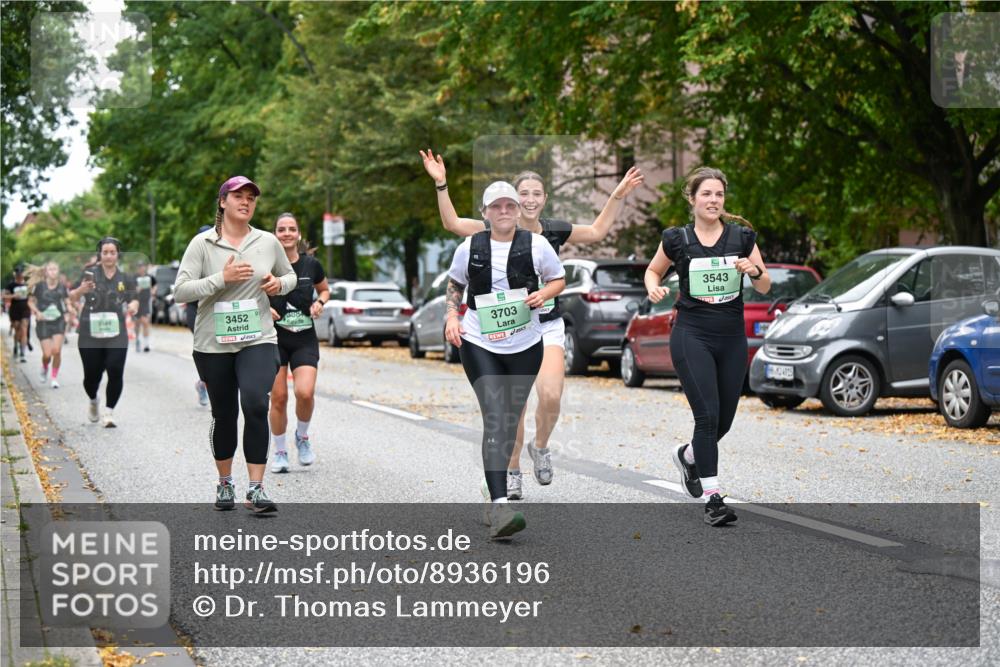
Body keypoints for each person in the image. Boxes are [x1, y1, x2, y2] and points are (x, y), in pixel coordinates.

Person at [421, 149, 644, 499]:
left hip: (544, 326)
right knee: (512, 409)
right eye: (521, 193)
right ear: (506, 201)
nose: (527, 200)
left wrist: (617, 194)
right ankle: (510, 474)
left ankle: (540, 446)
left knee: (551, 394)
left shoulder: (549, 234)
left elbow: (599, 230)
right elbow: (452, 225)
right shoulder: (490, 228)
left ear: (543, 199)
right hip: (497, 332)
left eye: (535, 194)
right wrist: (441, 184)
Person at [643, 167, 771, 526]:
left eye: (718, 194)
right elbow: (654, 270)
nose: (713, 200)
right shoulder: (677, 239)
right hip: (691, 333)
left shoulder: (742, 238)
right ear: (692, 199)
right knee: (707, 415)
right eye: (706, 194)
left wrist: (755, 271)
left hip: (730, 337)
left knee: (724, 421)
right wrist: (653, 286)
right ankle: (714, 500)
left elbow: (764, 286)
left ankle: (688, 455)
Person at [444, 180, 565, 538]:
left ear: (518, 211)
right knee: (496, 418)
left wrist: (543, 293)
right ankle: (500, 506)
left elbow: (558, 279)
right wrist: (452, 317)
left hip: (526, 343)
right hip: (479, 341)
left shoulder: (537, 245)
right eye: (496, 206)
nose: (504, 211)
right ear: (484, 213)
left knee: (510, 421)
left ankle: (491, 484)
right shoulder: (470, 246)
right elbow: (455, 285)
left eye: (510, 206)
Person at [173, 176, 296, 514]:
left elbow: (290, 277)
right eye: (238, 196)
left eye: (251, 197)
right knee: (224, 414)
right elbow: (181, 290)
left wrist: (276, 283)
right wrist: (221, 280)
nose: (246, 202)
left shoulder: (268, 242)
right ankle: (225, 482)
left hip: (258, 337)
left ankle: (256, 489)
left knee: (256, 403)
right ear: (223, 202)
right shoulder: (202, 244)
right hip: (213, 342)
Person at [267, 213, 330, 473]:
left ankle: (302, 437)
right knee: (279, 398)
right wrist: (264, 309)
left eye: (291, 229)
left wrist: (319, 302)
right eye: (282, 229)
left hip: (304, 338)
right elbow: (249, 292)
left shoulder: (310, 265)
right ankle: (279, 451)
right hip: (274, 339)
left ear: (299, 234)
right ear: (275, 235)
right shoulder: (266, 265)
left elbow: (324, 289)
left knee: (304, 392)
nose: (287, 233)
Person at [68, 238, 140, 427]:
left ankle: (109, 412)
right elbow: (72, 296)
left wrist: (132, 306)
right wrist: (80, 290)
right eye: (105, 252)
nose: (108, 256)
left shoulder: (125, 278)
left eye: (112, 252)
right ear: (100, 254)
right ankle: (93, 400)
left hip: (116, 332)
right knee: (92, 376)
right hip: (89, 332)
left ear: (118, 254)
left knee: (115, 370)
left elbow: (134, 299)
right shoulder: (89, 274)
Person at [28, 261, 72, 388]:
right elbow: (30, 302)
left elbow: (67, 300)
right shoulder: (39, 286)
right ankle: (45, 366)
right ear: (46, 272)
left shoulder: (62, 286)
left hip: (58, 321)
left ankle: (54, 378)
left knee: (56, 351)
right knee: (47, 354)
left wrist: (69, 310)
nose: (53, 272)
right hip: (43, 322)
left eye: (55, 269)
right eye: (50, 269)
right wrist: (37, 312)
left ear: (58, 272)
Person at [4, 264, 31, 362]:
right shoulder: (11, 285)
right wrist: (13, 296)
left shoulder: (28, 284)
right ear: (15, 275)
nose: (20, 276)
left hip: (25, 309)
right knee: (17, 330)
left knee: (24, 330)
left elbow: (33, 297)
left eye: (21, 274)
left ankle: (22, 353)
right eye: (18, 274)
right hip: (15, 309)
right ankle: (16, 344)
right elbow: (4, 296)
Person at [133, 260, 157, 352]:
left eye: (143, 266)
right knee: (137, 323)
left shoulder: (149, 277)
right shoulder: (134, 277)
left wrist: (153, 291)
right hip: (137, 302)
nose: (141, 268)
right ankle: (137, 340)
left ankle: (146, 344)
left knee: (145, 322)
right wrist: (137, 289)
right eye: (140, 267)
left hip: (146, 302)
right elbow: (131, 289)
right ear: (138, 268)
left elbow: (155, 285)